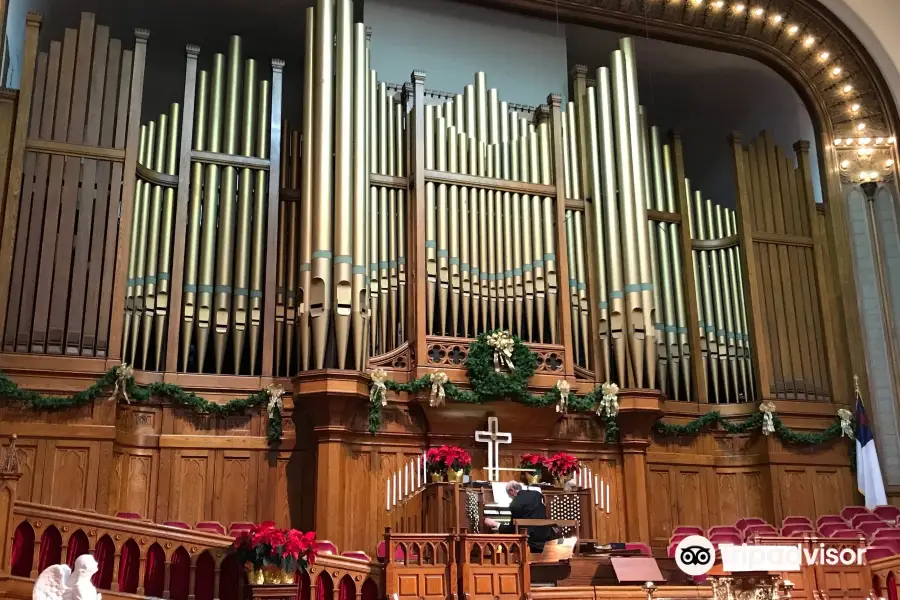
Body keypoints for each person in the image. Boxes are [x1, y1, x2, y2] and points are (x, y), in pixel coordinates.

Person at [484, 481, 554, 552]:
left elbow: (512, 530)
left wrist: (496, 524)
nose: (510, 498)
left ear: (512, 490)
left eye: (509, 495)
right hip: (546, 536)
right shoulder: (537, 494)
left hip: (529, 541)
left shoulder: (515, 504)